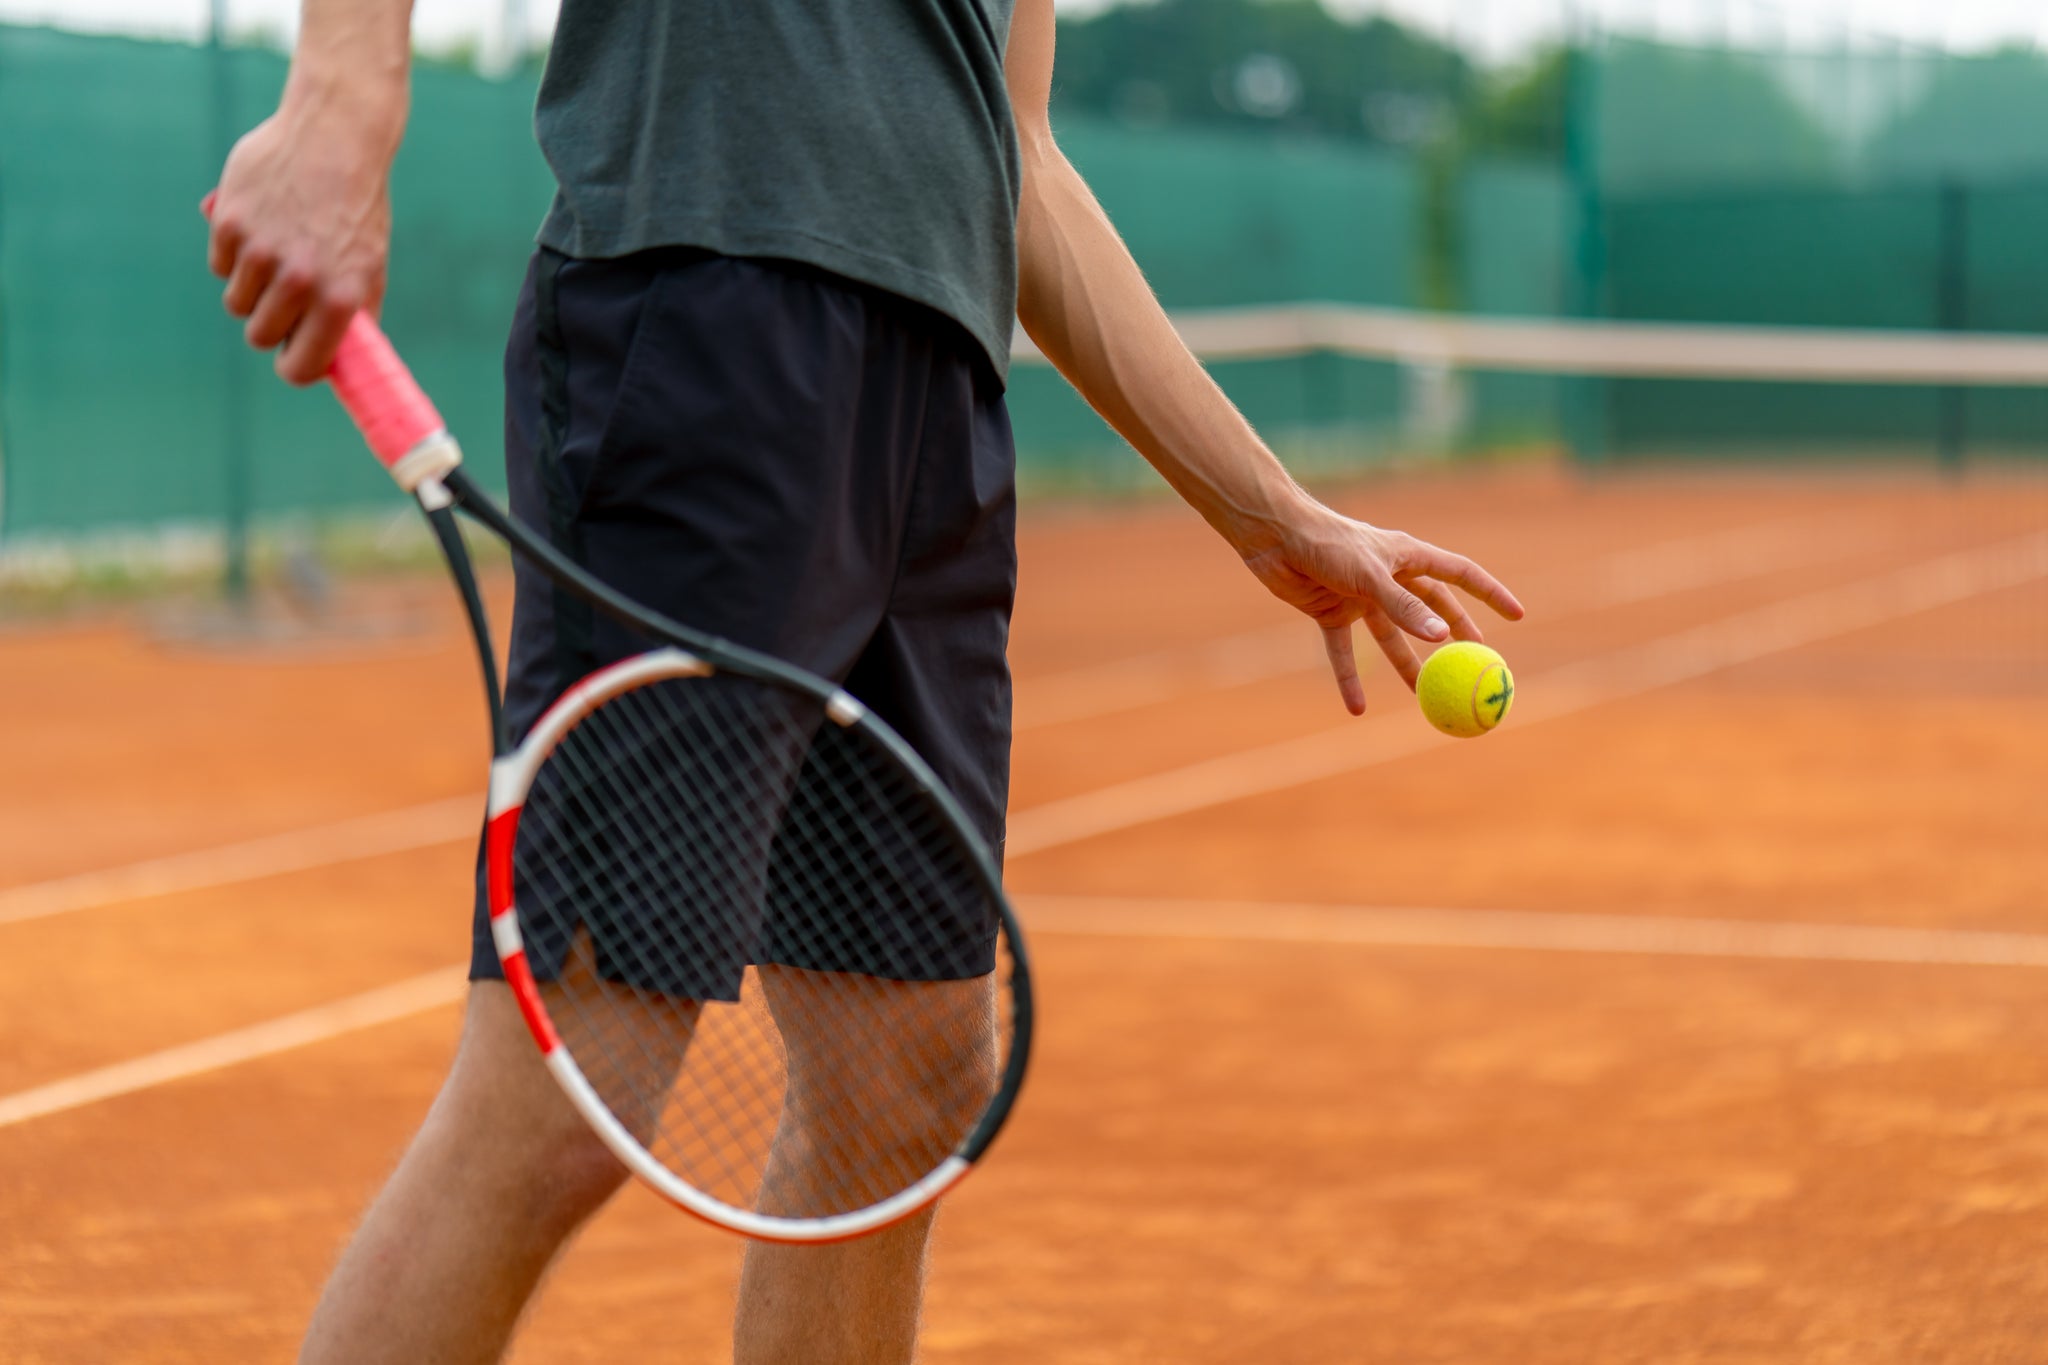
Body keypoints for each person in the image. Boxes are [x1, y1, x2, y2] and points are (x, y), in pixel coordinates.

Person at [205, 2, 1525, 1361]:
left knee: (904, 1084)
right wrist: (340, 96)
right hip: (709, 320)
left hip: (940, 396)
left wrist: (1270, 511)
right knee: (572, 1087)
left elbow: (1021, 158)